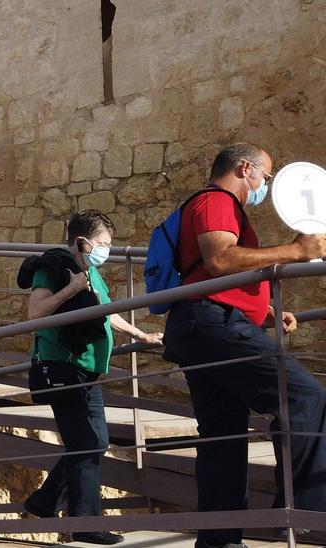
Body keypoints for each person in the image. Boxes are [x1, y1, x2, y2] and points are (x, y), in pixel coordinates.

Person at [161, 144, 326, 548]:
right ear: (245, 169)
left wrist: (263, 310)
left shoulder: (215, 205)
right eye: (264, 177)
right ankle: (305, 511)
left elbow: (218, 272)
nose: (264, 185)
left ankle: (219, 539)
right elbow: (219, 261)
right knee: (304, 397)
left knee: (223, 434)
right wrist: (296, 251)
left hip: (201, 325)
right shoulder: (216, 201)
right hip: (212, 323)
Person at [19, 210, 162, 545]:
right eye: (102, 244)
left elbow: (105, 313)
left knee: (94, 442)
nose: (107, 251)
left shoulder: (91, 271)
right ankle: (85, 524)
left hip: (87, 371)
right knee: (87, 442)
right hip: (61, 368)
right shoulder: (54, 267)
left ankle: (46, 501)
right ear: (82, 242)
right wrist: (71, 288)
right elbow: (36, 313)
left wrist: (140, 335)